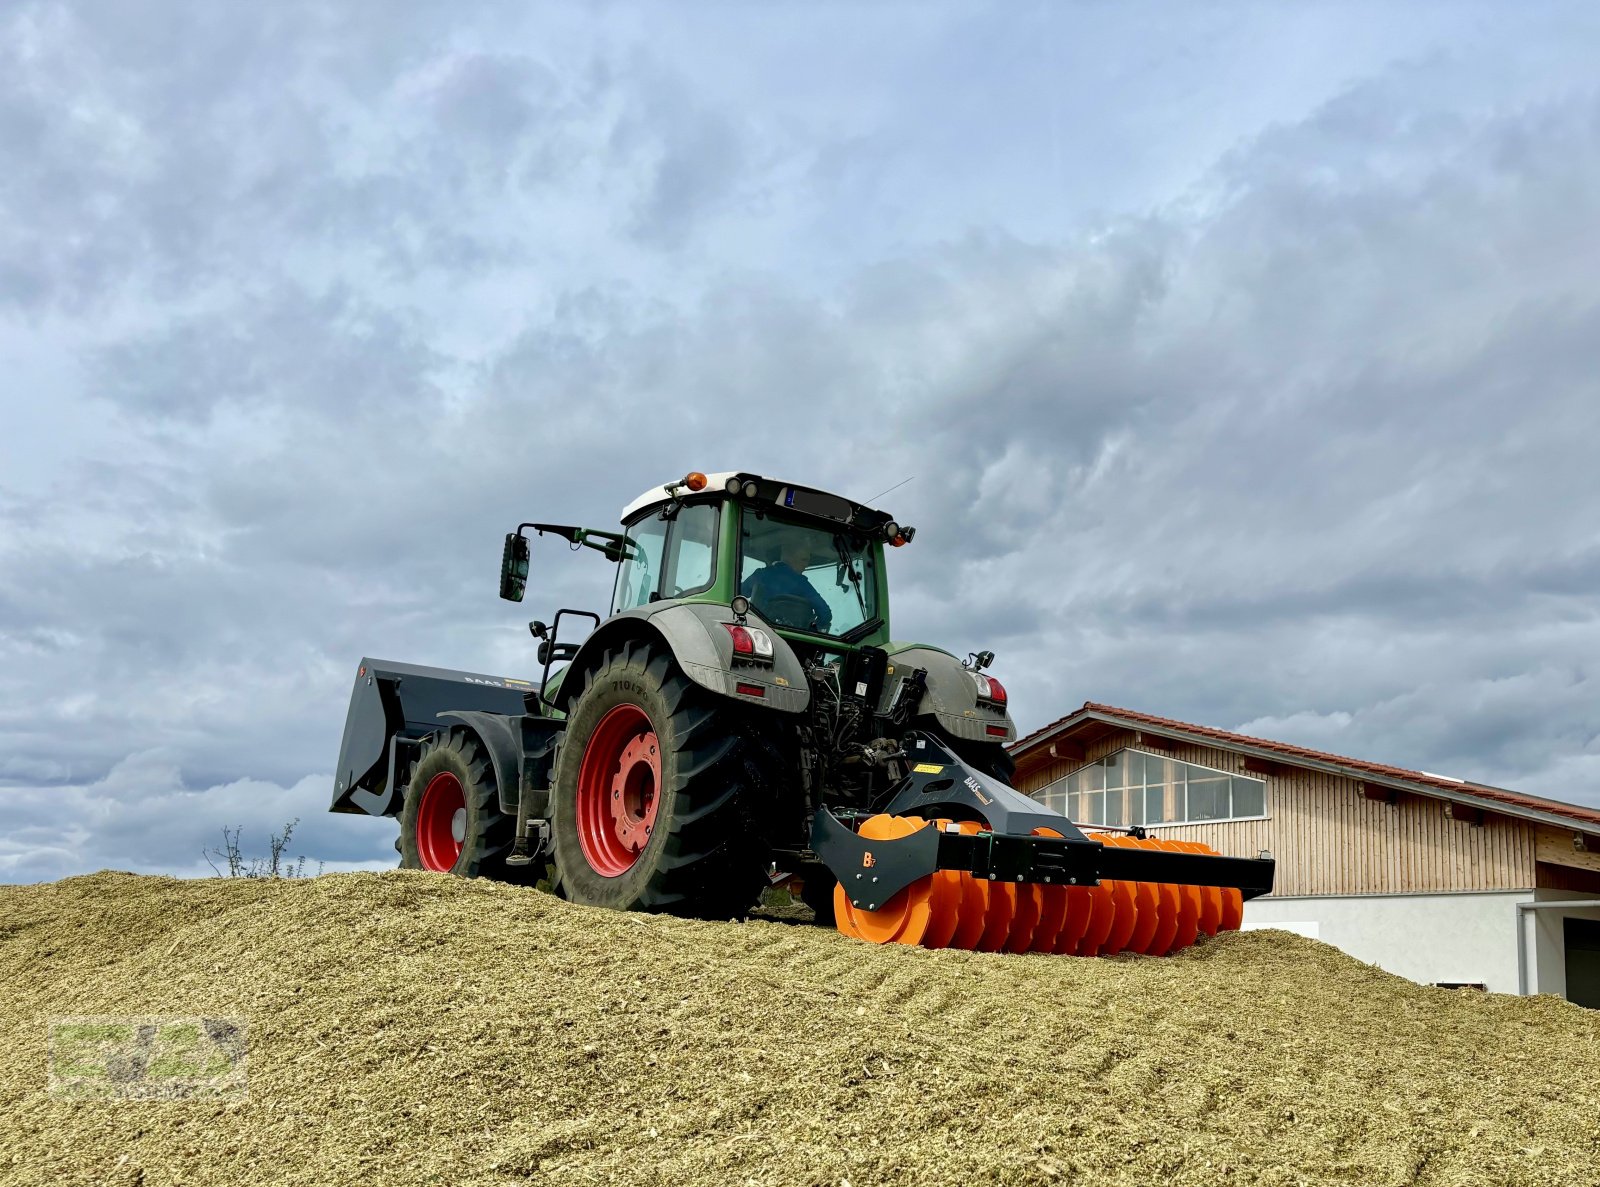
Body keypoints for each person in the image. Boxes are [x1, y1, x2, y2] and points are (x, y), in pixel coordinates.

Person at [742, 534, 833, 631]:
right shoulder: (802, 583)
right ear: (789, 557)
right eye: (803, 559)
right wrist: (811, 629)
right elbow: (825, 613)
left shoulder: (760, 574)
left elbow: (737, 592)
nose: (806, 565)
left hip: (759, 631)